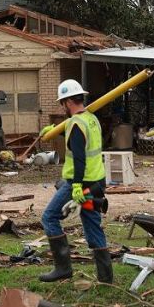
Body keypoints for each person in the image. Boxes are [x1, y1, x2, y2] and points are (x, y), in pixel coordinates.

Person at [37, 80, 112, 284]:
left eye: (63, 102)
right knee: (92, 226)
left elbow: (79, 157)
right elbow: (79, 138)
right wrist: (54, 129)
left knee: (49, 217)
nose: (63, 106)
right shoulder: (91, 119)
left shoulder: (76, 123)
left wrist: (77, 185)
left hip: (79, 184)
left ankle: (62, 268)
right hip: (97, 182)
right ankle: (106, 278)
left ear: (69, 102)